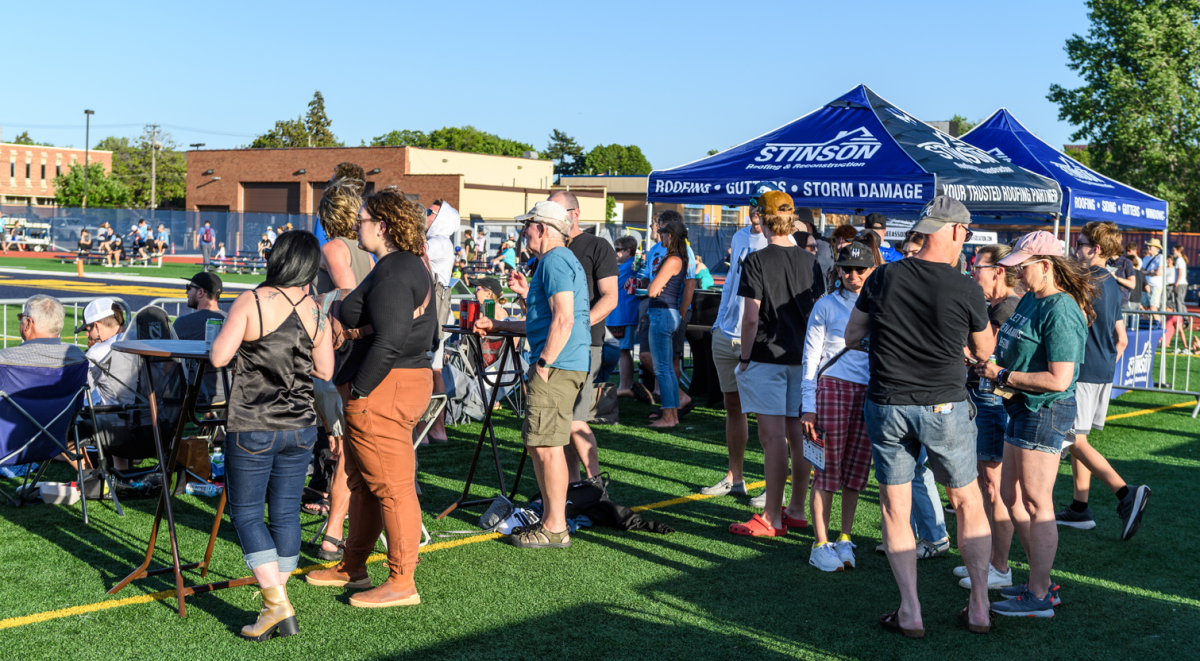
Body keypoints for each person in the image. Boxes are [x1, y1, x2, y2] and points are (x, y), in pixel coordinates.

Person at [845, 195, 996, 637]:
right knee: (967, 501)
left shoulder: (884, 275)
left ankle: (910, 610)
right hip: (944, 404)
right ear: (955, 231)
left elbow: (853, 335)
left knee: (896, 507)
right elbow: (984, 350)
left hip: (888, 402)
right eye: (966, 233)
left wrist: (888, 341)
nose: (966, 240)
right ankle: (980, 607)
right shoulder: (965, 286)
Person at [305, 190, 437, 607]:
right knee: (363, 482)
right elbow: (389, 328)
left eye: (361, 220)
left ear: (382, 226)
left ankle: (402, 581)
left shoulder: (397, 270)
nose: (355, 226)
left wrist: (360, 392)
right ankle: (353, 565)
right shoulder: (398, 265)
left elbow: (392, 339)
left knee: (392, 487)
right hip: (390, 384)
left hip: (386, 388)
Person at [210, 231, 333, 640]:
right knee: (284, 514)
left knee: (246, 514)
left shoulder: (253, 300)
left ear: (277, 258)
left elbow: (219, 356)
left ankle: (277, 604)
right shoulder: (316, 310)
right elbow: (326, 370)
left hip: (253, 422)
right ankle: (275, 603)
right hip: (300, 425)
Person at [976, 230, 1091, 619]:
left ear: (1045, 266)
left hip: (1045, 408)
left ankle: (1040, 593)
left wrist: (1002, 375)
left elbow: (1059, 379)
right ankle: (1039, 582)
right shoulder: (1032, 298)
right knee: (1011, 496)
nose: (1017, 274)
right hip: (1022, 406)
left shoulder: (1061, 309)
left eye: (1022, 267)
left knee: (1037, 503)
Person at [474, 200, 590, 548]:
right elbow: (544, 320)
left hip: (557, 365)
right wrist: (498, 325)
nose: (524, 232)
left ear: (542, 228)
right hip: (562, 363)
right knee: (540, 443)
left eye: (528, 225)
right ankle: (552, 522)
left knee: (547, 446)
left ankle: (555, 527)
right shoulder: (555, 260)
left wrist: (544, 364)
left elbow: (564, 318)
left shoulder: (554, 260)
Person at [730, 190, 823, 537]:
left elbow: (750, 318)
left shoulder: (756, 260)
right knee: (798, 439)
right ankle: (795, 510)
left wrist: (744, 359)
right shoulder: (811, 261)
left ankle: (772, 517)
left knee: (773, 440)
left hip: (767, 357)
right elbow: (818, 314)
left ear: (764, 219)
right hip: (803, 359)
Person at [1056, 222, 1150, 540]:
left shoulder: (1083, 279)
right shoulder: (1110, 281)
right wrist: (1105, 364)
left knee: (1073, 440)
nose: (1075, 249)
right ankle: (1079, 509)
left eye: (1079, 244)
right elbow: (1121, 339)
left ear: (1095, 249)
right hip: (1100, 371)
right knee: (1078, 438)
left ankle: (1125, 493)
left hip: (1081, 370)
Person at [307, 177, 375, 558]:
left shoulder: (333, 247)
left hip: (339, 354)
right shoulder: (368, 252)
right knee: (348, 445)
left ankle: (333, 531)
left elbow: (348, 297)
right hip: (362, 353)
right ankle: (340, 526)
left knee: (346, 446)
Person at [701, 196, 782, 507]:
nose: (755, 211)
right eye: (753, 205)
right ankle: (735, 478)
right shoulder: (738, 237)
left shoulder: (780, 241)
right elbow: (731, 284)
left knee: (768, 416)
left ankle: (773, 487)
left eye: (761, 206)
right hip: (727, 333)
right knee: (732, 407)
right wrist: (718, 324)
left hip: (759, 338)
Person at [952, 244, 1021, 591]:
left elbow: (987, 354)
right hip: (984, 395)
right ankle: (991, 561)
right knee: (987, 484)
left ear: (998, 271)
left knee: (995, 488)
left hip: (992, 398)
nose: (971, 272)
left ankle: (1000, 566)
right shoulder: (996, 305)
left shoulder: (1007, 306)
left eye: (977, 266)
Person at [801, 242, 873, 571]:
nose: (852, 275)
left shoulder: (881, 305)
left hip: (870, 391)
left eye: (860, 269)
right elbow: (810, 358)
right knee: (827, 469)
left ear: (871, 271)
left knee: (856, 472)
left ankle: (844, 537)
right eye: (847, 269)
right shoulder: (825, 304)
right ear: (838, 270)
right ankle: (820, 542)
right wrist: (808, 405)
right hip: (832, 386)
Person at [546, 191, 618, 480]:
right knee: (561, 420)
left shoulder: (597, 245)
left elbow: (610, 297)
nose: (550, 217)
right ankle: (574, 485)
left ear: (575, 214)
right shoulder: (550, 248)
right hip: (553, 343)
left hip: (585, 344)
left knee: (575, 419)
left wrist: (577, 325)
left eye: (557, 210)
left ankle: (595, 484)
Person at [631, 210, 697, 412]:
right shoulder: (657, 251)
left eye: (660, 226)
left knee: (668, 363)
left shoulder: (678, 255)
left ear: (670, 231)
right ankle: (673, 404)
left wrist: (682, 311)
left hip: (668, 311)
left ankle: (672, 409)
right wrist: (638, 283)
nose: (656, 229)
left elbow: (689, 283)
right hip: (658, 310)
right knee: (650, 358)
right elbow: (649, 281)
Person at [646, 221, 691, 430]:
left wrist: (654, 285)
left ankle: (668, 417)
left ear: (670, 236)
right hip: (668, 314)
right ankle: (672, 415)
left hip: (662, 314)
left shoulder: (673, 259)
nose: (660, 236)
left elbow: (652, 290)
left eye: (663, 233)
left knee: (662, 369)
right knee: (667, 369)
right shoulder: (679, 258)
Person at [424, 198, 460, 443]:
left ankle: (426, 429)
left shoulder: (437, 242)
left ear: (442, 220)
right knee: (433, 371)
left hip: (431, 315)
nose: (425, 215)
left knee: (427, 371)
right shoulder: (443, 242)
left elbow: (414, 254)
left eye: (430, 212)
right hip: (438, 314)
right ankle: (436, 429)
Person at [0, 295, 86, 368]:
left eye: (21, 316)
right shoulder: (79, 357)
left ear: (28, 323)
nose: (20, 319)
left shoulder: (5, 359)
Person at [607, 236, 640, 398]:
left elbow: (610, 284)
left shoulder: (628, 266)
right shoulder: (629, 265)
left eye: (618, 249)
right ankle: (627, 385)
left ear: (628, 251)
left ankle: (625, 386)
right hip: (621, 315)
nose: (615, 252)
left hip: (623, 315)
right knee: (622, 351)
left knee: (623, 352)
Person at [173, 272, 225, 340]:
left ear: (200, 292)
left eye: (189, 288)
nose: (186, 292)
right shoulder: (230, 321)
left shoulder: (183, 323)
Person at [1166, 244, 1190, 351]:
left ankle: (1184, 319)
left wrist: (1176, 285)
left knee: (1179, 301)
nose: (1173, 252)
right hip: (1181, 283)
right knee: (1178, 301)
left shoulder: (1180, 260)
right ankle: (1183, 317)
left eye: (1174, 250)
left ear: (1179, 251)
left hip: (1181, 284)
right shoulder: (1180, 260)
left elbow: (1180, 274)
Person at [1143, 238, 1164, 313]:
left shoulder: (1160, 257)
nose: (1148, 247)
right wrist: (1151, 272)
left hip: (1155, 285)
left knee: (1153, 308)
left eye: (1150, 246)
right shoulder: (1146, 258)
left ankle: (1157, 321)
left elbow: (1158, 272)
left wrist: (1147, 272)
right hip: (1146, 285)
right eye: (1148, 246)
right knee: (1145, 307)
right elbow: (1141, 271)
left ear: (1156, 248)